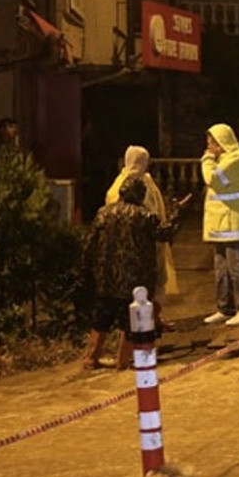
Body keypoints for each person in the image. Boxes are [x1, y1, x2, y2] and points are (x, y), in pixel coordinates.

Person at [81, 176, 180, 369]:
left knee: (101, 318)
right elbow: (165, 234)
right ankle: (123, 361)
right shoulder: (145, 216)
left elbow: (90, 244)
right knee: (131, 323)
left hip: (107, 277)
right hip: (137, 279)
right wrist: (177, 212)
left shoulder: (103, 213)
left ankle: (91, 357)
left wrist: (87, 269)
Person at [105, 146, 181, 330]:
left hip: (148, 243)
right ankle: (140, 338)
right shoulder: (123, 187)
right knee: (142, 291)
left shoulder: (145, 180)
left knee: (153, 285)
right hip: (139, 248)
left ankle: (152, 321)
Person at [201, 123, 239, 326]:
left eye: (212, 143)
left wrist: (207, 159)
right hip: (222, 225)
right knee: (221, 270)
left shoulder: (236, 158)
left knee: (237, 268)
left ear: (222, 142)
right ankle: (225, 308)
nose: (209, 148)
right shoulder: (226, 159)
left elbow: (212, 179)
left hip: (235, 223)